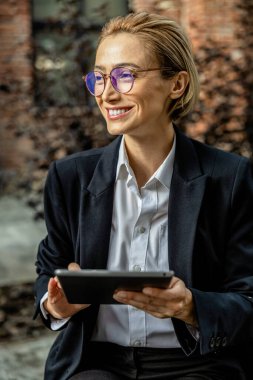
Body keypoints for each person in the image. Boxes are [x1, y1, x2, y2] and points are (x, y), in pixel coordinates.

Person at [34, 12, 253, 380]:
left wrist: (191, 306)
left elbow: (247, 300)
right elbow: (48, 273)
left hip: (197, 364)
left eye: (125, 75)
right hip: (96, 363)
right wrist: (55, 304)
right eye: (99, 77)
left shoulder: (229, 178)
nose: (107, 93)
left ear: (177, 84)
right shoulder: (69, 177)